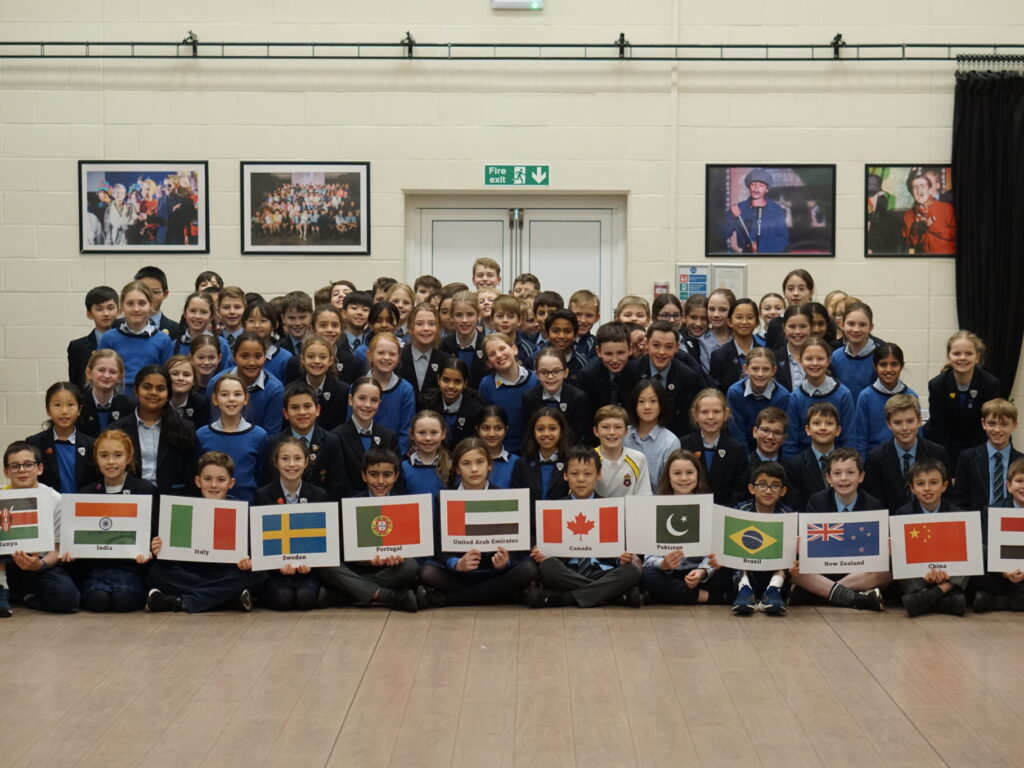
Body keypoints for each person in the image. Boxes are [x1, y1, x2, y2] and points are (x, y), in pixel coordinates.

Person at [417, 438, 538, 608]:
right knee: (428, 573)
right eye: (466, 463)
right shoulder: (445, 499)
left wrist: (507, 560)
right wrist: (456, 563)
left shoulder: (505, 498)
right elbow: (437, 545)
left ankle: (447, 600)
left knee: (528, 569)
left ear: (489, 465)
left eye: (480, 462)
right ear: (457, 468)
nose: (474, 469)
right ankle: (503, 595)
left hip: (496, 572)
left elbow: (520, 546)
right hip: (461, 574)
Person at [145, 452, 265, 613]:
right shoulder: (183, 509)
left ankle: (179, 601)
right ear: (198, 481)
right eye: (208, 479)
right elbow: (171, 554)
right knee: (156, 572)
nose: (214, 485)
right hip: (191, 571)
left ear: (231, 483)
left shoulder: (241, 511)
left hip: (225, 572)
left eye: (221, 480)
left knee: (259, 574)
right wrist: (159, 547)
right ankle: (228, 599)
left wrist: (247, 560)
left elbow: (250, 550)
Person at [527, 445, 643, 608]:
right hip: (568, 571)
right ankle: (612, 595)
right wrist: (542, 553)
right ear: (566, 475)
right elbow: (549, 550)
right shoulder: (556, 508)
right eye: (574, 474)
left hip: (602, 570)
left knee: (632, 570)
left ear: (599, 475)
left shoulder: (608, 508)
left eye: (588, 474)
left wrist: (621, 558)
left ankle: (564, 598)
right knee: (547, 566)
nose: (581, 479)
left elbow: (617, 552)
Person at [317, 448, 420, 612]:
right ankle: (385, 595)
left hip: (389, 570)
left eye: (387, 475)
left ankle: (343, 594)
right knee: (324, 563)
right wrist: (363, 559)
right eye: (373, 474)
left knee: (411, 567)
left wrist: (397, 557)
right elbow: (341, 549)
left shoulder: (403, 505)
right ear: (364, 476)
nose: (380, 481)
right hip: (355, 568)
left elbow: (409, 546)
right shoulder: (350, 505)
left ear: (396, 476)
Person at [788, 448, 888, 611]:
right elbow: (810, 545)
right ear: (828, 478)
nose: (843, 479)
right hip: (822, 572)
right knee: (793, 571)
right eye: (837, 473)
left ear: (861, 476)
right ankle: (856, 598)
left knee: (885, 573)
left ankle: (820, 595)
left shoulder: (873, 505)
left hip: (857, 573)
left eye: (850, 472)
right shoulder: (817, 501)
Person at [72, 429, 158, 612]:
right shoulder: (86, 493)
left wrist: (150, 550)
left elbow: (154, 533)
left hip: (132, 569)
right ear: (96, 458)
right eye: (104, 455)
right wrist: (72, 549)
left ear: (128, 457)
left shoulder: (145, 490)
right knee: (97, 602)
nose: (111, 462)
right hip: (96, 570)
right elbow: (79, 536)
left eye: (117, 455)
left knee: (123, 601)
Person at [252, 436, 328, 612]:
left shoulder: (319, 495)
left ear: (307, 462)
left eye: (298, 458)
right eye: (285, 459)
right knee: (283, 600)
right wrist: (277, 563)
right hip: (274, 570)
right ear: (275, 462)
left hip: (307, 569)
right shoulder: (262, 496)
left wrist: (311, 562)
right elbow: (259, 540)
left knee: (305, 600)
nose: (291, 464)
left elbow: (323, 539)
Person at [640, 450, 724, 606]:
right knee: (647, 575)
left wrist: (702, 572)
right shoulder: (655, 507)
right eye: (677, 473)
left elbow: (714, 552)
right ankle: (707, 597)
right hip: (669, 574)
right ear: (668, 477)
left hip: (699, 574)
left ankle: (666, 596)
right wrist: (663, 564)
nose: (684, 478)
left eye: (690, 473)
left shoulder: (709, 508)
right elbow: (648, 559)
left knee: (726, 570)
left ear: (697, 475)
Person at [1, 441, 75, 614]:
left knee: (67, 598)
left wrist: (39, 564)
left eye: (28, 465)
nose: (21, 470)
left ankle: (22, 598)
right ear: (6, 471)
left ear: (39, 468)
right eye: (14, 466)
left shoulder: (55, 499)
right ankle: (2, 587)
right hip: (6, 565)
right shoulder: (1, 497)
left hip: (40, 565)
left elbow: (58, 548)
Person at [892, 458, 967, 616]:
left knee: (976, 548)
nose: (927, 488)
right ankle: (928, 595)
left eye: (933, 482)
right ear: (912, 488)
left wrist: (945, 572)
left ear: (944, 486)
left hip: (949, 575)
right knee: (894, 548)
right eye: (920, 484)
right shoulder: (902, 514)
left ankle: (930, 596)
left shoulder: (958, 515)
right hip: (917, 578)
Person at [923, 331, 1002, 466]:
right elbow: (938, 429)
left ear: (977, 357)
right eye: (957, 353)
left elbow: (990, 424)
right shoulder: (937, 385)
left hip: (979, 451)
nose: (962, 357)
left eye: (968, 353)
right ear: (948, 356)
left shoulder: (990, 384)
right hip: (946, 451)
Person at [863, 394, 949, 515]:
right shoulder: (875, 458)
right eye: (897, 422)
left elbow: (947, 496)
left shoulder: (937, 453)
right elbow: (875, 503)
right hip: (891, 526)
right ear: (889, 424)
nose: (904, 428)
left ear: (919, 421)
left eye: (910, 421)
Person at [730, 461, 794, 615]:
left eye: (775, 485)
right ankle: (744, 590)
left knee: (789, 551)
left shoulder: (788, 516)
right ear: (752, 488)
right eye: (763, 484)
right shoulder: (740, 511)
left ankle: (773, 591)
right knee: (733, 545)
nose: (768, 490)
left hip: (773, 572)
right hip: (746, 571)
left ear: (783, 491)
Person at [266, 382, 345, 499]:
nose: (302, 412)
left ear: (317, 410)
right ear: (286, 413)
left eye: (307, 406)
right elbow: (269, 482)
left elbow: (337, 485)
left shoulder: (331, 441)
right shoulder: (274, 443)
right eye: (295, 407)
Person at [196, 374, 267, 502]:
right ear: (215, 399)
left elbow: (261, 476)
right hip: (209, 506)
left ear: (246, 399)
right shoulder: (202, 435)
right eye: (224, 394)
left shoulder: (258, 435)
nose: (231, 399)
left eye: (237, 394)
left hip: (247, 507)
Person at [782, 337, 856, 458]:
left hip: (838, 461)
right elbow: (791, 442)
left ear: (828, 361)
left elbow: (850, 438)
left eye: (820, 358)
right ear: (800, 361)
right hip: (804, 463)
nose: (815, 363)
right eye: (809, 359)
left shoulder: (843, 394)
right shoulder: (795, 398)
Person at [331, 377, 401, 495]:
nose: (367, 405)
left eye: (374, 400)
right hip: (350, 506)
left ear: (379, 403)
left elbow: (396, 480)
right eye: (362, 398)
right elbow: (339, 482)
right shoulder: (336, 436)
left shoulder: (389, 436)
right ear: (350, 400)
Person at [678, 388, 748, 507]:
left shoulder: (736, 450)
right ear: (695, 415)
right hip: (690, 512)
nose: (710, 417)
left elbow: (740, 492)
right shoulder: (683, 445)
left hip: (724, 514)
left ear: (726, 414)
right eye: (704, 412)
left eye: (716, 411)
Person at [206, 332, 285, 436]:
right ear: (234, 357)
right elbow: (213, 426)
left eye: (258, 356)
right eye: (244, 356)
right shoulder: (216, 383)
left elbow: (271, 435)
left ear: (265, 357)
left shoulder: (275, 390)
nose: (251, 362)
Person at [951, 398, 1022, 512]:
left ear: (1014, 425)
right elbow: (959, 500)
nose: (997, 429)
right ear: (983, 423)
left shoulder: (1021, 460)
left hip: (1012, 524)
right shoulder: (967, 458)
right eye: (991, 423)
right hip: (977, 524)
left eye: (1004, 424)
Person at [26, 382, 98, 493]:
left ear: (79, 409)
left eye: (70, 405)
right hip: (48, 506)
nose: (64, 411)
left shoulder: (91, 444)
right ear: (48, 410)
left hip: (81, 507)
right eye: (57, 405)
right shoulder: (34, 443)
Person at [973, 457, 1024, 613]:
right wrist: (1005, 572)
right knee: (978, 549)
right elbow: (986, 548)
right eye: (1019, 481)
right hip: (1001, 576)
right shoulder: (991, 512)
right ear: (1009, 485)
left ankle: (1001, 602)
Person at [98, 281, 173, 387]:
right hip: (116, 399)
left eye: (142, 303)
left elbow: (167, 379)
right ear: (122, 307)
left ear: (150, 305)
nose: (136, 309)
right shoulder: (109, 338)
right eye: (130, 304)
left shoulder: (163, 340)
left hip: (150, 399)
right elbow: (99, 374)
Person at [636, 321, 702, 438]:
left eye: (669, 347)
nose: (662, 352)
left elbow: (685, 422)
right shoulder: (632, 370)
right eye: (656, 345)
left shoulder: (687, 376)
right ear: (646, 343)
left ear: (677, 347)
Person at [851, 343, 918, 456]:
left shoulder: (911, 396)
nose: (889, 369)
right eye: (883, 364)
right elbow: (861, 437)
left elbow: (917, 435)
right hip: (874, 460)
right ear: (875, 366)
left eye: (894, 364)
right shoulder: (865, 396)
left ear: (901, 366)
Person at [478, 332, 537, 455]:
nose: (499, 355)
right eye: (492, 354)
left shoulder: (536, 380)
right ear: (489, 362)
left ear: (514, 349)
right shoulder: (487, 385)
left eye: (502, 349)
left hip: (533, 450)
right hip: (501, 452)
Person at [520, 347, 593, 446]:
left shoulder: (578, 398)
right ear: (537, 374)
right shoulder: (529, 397)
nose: (550, 377)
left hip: (569, 454)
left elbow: (579, 437)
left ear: (565, 373)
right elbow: (528, 435)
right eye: (544, 372)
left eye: (556, 371)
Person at [781, 402, 842, 512]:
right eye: (817, 423)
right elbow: (794, 506)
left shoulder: (848, 463)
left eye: (829, 423)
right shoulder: (795, 466)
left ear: (838, 430)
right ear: (808, 430)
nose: (823, 428)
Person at [726, 347, 790, 451]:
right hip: (743, 450)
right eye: (755, 369)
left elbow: (780, 434)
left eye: (766, 369)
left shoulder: (783, 396)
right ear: (746, 369)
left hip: (772, 449)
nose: (760, 374)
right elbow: (737, 433)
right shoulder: (735, 393)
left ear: (774, 370)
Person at [364, 332, 415, 456]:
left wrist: (392, 460)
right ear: (369, 355)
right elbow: (352, 427)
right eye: (381, 353)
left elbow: (405, 432)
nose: (386, 357)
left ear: (398, 357)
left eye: (392, 354)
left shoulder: (405, 390)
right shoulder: (357, 388)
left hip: (393, 460)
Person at [624, 380, 679, 493]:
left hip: (657, 504)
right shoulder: (623, 435)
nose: (647, 406)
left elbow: (669, 485)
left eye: (653, 401)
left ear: (661, 404)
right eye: (641, 401)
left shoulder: (671, 442)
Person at [418, 357, 483, 449]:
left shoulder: (476, 409)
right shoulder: (426, 402)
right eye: (446, 380)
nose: (451, 386)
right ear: (438, 379)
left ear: (465, 383)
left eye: (457, 381)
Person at [576, 321, 638, 417]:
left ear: (630, 349)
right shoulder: (587, 376)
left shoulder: (638, 371)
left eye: (621, 353)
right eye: (608, 354)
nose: (615, 360)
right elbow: (583, 416)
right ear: (598, 351)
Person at [720, 168, 789, 254]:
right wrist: (731, 219)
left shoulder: (776, 210)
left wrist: (760, 246)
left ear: (767, 189)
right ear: (749, 187)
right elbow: (720, 234)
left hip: (770, 257)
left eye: (761, 185)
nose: (756, 189)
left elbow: (783, 239)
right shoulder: (739, 208)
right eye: (753, 184)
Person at [511, 408, 572, 504]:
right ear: (534, 433)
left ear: (561, 432)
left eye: (552, 428)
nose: (546, 433)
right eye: (540, 429)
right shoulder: (521, 465)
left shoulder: (571, 462)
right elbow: (516, 501)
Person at [592, 405, 651, 497]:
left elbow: (644, 497)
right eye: (605, 427)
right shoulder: (588, 459)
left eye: (618, 427)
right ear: (596, 431)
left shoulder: (638, 459)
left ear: (626, 431)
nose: (612, 432)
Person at [68, 286, 120, 389]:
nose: (106, 313)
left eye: (110, 308)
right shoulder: (77, 347)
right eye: (99, 309)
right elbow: (75, 386)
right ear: (89, 314)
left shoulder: (129, 341)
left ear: (118, 310)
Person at [78, 350, 136, 437]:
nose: (107, 376)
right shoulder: (78, 405)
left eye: (112, 372)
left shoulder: (130, 406)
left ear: (120, 377)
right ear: (89, 373)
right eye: (101, 370)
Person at [709, 298, 763, 393]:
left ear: (757, 322)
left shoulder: (766, 353)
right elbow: (716, 392)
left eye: (750, 317)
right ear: (729, 322)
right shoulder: (719, 356)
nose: (744, 322)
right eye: (739, 317)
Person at [829, 301, 880, 400]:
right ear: (842, 325)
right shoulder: (836, 356)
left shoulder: (880, 355)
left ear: (871, 327)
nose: (856, 329)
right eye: (851, 324)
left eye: (862, 325)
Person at [296, 336, 349, 431]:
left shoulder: (342, 391)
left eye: (323, 357)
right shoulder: (292, 390)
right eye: (311, 356)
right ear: (302, 359)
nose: (316, 361)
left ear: (330, 361)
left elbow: (341, 427)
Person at [440, 291, 489, 388]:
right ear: (452, 317)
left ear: (478, 315)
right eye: (459, 315)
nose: (464, 320)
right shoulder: (443, 346)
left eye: (470, 314)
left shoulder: (487, 345)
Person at [902, 171, 956, 254]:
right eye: (915, 187)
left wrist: (932, 226)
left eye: (922, 186)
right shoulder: (908, 215)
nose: (919, 189)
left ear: (929, 188)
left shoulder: (946, 207)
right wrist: (915, 229)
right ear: (912, 192)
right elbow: (910, 243)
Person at [400, 303, 447, 398]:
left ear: (438, 328)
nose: (426, 328)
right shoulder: (398, 358)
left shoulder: (446, 361)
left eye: (431, 324)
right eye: (419, 324)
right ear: (410, 328)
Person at [242, 300, 293, 383]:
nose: (257, 326)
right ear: (244, 325)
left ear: (274, 325)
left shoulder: (285, 358)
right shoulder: (235, 356)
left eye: (263, 321)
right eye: (251, 321)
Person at [402, 411, 450, 497]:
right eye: (421, 433)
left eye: (434, 432)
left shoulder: (451, 467)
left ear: (443, 434)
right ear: (412, 434)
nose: (428, 438)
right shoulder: (402, 468)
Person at [474, 405, 517, 489]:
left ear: (506, 430)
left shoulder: (517, 463)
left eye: (498, 428)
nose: (492, 434)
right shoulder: (467, 461)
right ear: (477, 430)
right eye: (486, 428)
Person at [165, 355, 211, 431]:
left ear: (194, 381)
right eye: (175, 374)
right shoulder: (158, 400)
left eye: (186, 375)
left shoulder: (201, 403)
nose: (180, 378)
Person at [134, 266, 180, 337]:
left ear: (165, 294)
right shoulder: (119, 325)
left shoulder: (178, 330)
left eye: (155, 292)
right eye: (144, 291)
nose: (149, 297)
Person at [568, 289, 601, 362]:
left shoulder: (596, 344)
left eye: (589, 315)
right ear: (568, 314)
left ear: (596, 318)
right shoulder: (559, 340)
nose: (583, 320)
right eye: (578, 314)